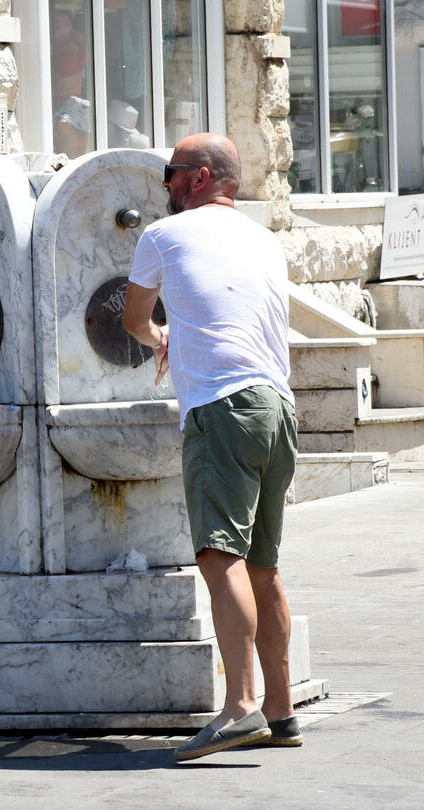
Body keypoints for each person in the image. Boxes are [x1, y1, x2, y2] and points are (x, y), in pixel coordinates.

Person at [123, 133, 301, 762]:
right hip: (277, 410)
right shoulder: (263, 238)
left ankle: (242, 706)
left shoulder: (163, 238)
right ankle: (280, 711)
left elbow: (132, 318)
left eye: (171, 173)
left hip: (222, 409)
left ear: (198, 178)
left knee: (218, 556)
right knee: (263, 566)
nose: (164, 185)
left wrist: (159, 336)